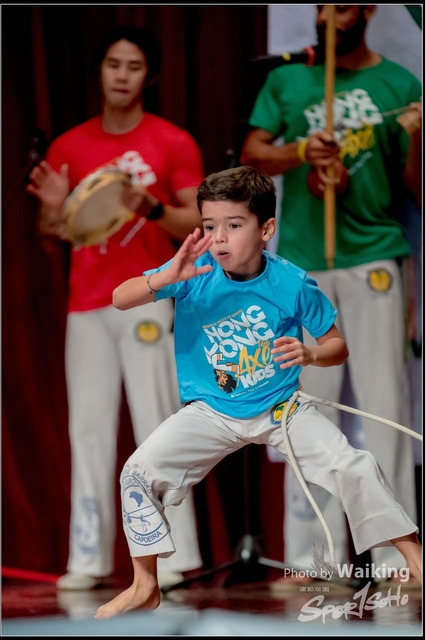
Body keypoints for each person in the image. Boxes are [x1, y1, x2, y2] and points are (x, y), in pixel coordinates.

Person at [93, 165, 421, 619]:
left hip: (281, 408)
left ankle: (415, 561)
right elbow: (119, 297)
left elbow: (337, 346)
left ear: (266, 228)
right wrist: (165, 278)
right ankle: (145, 583)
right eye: (210, 227)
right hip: (211, 411)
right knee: (137, 472)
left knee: (354, 465)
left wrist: (310, 354)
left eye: (233, 225)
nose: (220, 238)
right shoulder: (193, 271)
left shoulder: (291, 282)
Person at [240, 4, 422, 584]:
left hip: (373, 255)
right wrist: (302, 153)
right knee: (305, 412)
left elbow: (415, 186)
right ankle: (313, 559)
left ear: (367, 11)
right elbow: (252, 153)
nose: (330, 15)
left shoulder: (398, 83)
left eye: (343, 6)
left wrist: (417, 139)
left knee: (384, 408)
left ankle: (396, 557)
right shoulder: (288, 80)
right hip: (303, 267)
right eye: (321, 6)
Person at [26, 24, 204, 591]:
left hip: (148, 296)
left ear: (146, 76)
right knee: (89, 429)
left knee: (157, 427)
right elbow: (52, 233)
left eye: (132, 66)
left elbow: (195, 223)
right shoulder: (69, 147)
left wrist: (149, 206)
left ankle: (170, 558)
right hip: (86, 305)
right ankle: (87, 558)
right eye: (112, 65)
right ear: (100, 72)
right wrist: (53, 209)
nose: (121, 75)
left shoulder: (172, 141)